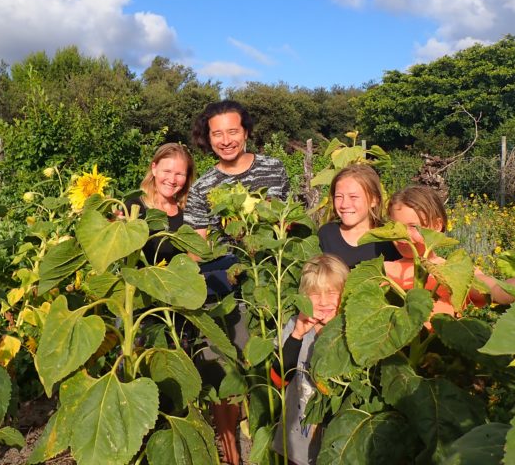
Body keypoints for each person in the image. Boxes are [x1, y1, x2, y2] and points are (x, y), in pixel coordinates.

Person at [184, 99, 290, 465]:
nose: (226, 140)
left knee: (271, 370)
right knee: (223, 372)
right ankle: (233, 458)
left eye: (233, 131)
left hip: (272, 282)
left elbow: (286, 223)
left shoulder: (274, 169)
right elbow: (197, 245)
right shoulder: (204, 186)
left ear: (245, 132)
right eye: (217, 133)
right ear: (207, 138)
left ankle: (276, 450)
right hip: (225, 285)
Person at [385, 185, 515, 314]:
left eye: (413, 227)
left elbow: (496, 290)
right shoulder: (383, 271)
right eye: (396, 227)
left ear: (436, 225)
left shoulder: (455, 271)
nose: (403, 235)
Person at [270, 254, 349, 465]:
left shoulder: (349, 331)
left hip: (333, 434)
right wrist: (296, 336)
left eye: (332, 293)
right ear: (304, 296)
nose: (323, 301)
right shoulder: (295, 327)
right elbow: (278, 380)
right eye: (315, 294)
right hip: (298, 432)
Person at [318, 164, 402, 267]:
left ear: (374, 200)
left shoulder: (387, 238)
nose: (344, 204)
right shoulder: (326, 234)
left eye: (353, 197)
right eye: (339, 197)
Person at [125, 142, 194, 265]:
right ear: (154, 169)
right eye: (167, 171)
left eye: (179, 174)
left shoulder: (188, 212)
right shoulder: (134, 208)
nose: (172, 180)